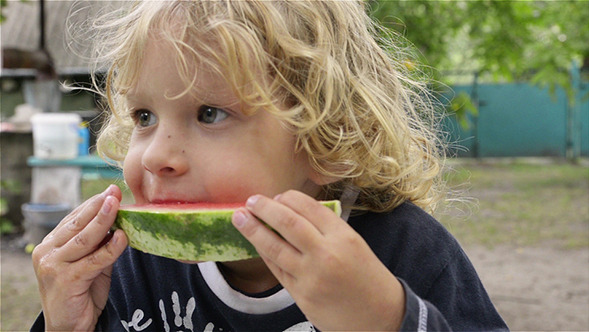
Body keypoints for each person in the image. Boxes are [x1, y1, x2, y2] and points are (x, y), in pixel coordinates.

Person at [31, 1, 508, 331]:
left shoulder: (403, 252)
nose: (156, 155)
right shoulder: (128, 268)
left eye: (209, 114)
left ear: (325, 139)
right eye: (144, 117)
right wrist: (68, 325)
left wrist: (386, 320)